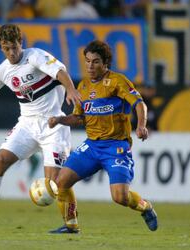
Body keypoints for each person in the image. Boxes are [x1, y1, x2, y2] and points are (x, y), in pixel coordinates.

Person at [0, 24, 81, 231]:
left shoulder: (35, 56)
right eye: (7, 48)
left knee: (56, 183)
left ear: (20, 43)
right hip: (27, 125)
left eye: (14, 47)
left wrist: (70, 89)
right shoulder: (2, 71)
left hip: (54, 124)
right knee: (0, 161)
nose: (12, 52)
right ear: (1, 49)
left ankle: (71, 224)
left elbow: (60, 71)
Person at [48, 40, 158, 233]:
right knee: (61, 182)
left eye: (96, 62)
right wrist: (59, 120)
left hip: (116, 146)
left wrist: (141, 126)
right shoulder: (82, 87)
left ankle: (145, 206)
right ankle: (71, 225)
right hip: (91, 146)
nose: (90, 66)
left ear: (106, 63)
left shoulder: (117, 81)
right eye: (88, 61)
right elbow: (78, 118)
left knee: (120, 198)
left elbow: (139, 104)